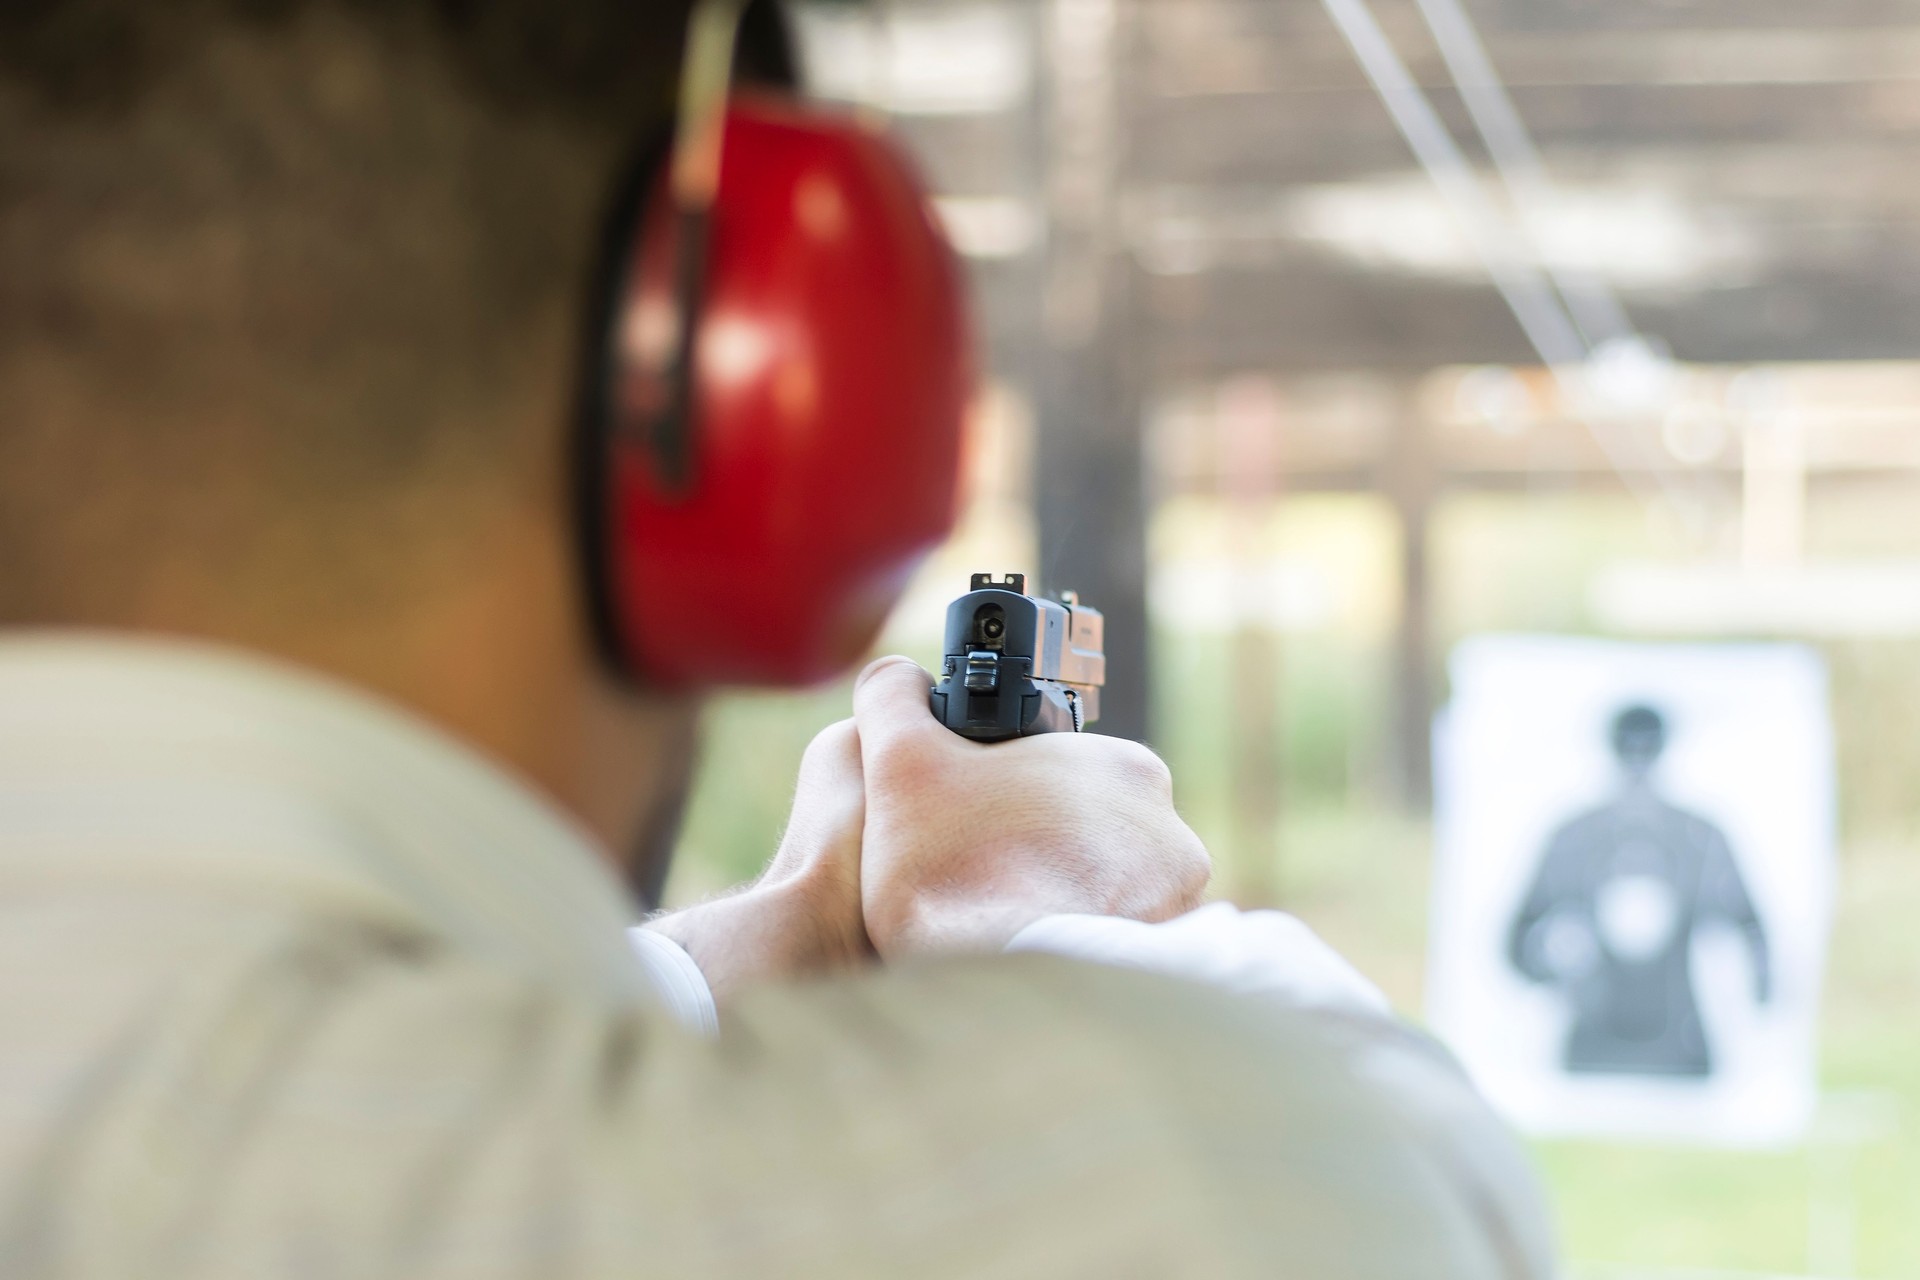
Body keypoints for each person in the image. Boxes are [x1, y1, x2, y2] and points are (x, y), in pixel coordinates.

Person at [0, 2, 1554, 1276]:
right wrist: (1035, 902)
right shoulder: (1172, 1186)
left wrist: (767, 945)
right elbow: (1368, 1175)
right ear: (762, 422)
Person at [1508, 704, 1772, 1077]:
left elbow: (1750, 927)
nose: (1637, 764)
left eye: (1645, 751)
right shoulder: (1574, 839)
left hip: (1680, 1048)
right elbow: (1518, 941)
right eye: (1629, 750)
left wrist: (1760, 998)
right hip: (1593, 1047)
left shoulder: (1700, 840)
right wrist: (1553, 961)